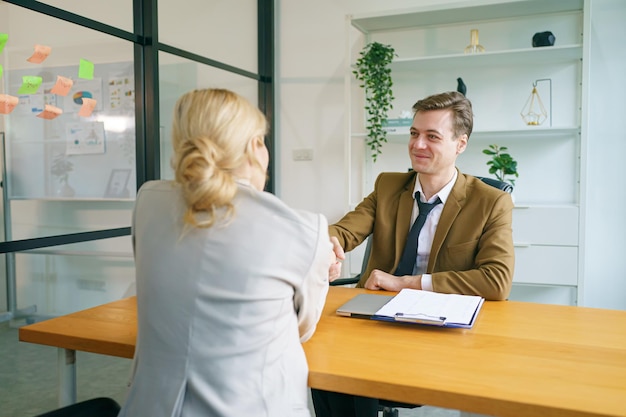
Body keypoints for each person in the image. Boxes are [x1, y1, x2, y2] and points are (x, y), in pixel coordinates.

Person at [118, 88, 337, 417]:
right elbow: (301, 331)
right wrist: (319, 272)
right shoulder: (304, 231)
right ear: (254, 147)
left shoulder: (148, 201)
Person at [312, 90, 515, 417]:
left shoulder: (490, 202)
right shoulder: (388, 186)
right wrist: (326, 250)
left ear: (460, 144)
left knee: (353, 378)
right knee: (325, 364)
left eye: (432, 136)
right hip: (373, 314)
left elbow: (496, 280)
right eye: (414, 134)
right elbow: (346, 230)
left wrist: (406, 282)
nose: (418, 145)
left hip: (437, 323)